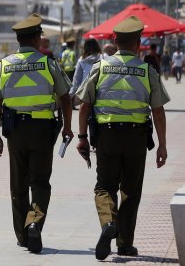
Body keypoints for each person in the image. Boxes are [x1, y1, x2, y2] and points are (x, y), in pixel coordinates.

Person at [75, 16, 170, 261]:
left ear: (115, 41)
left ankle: (108, 222)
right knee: (131, 191)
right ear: (139, 44)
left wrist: (82, 137)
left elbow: (84, 106)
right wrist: (162, 145)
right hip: (137, 138)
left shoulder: (100, 67)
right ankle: (125, 244)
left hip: (107, 136)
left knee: (104, 186)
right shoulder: (147, 71)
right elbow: (158, 111)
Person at [0, 13, 73, 254]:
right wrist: (67, 127)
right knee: (40, 183)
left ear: (18, 40)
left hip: (15, 131)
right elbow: (65, 97)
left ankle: (23, 236)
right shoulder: (49, 64)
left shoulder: (5, 65)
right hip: (42, 130)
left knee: (18, 185)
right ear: (37, 38)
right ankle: (35, 222)